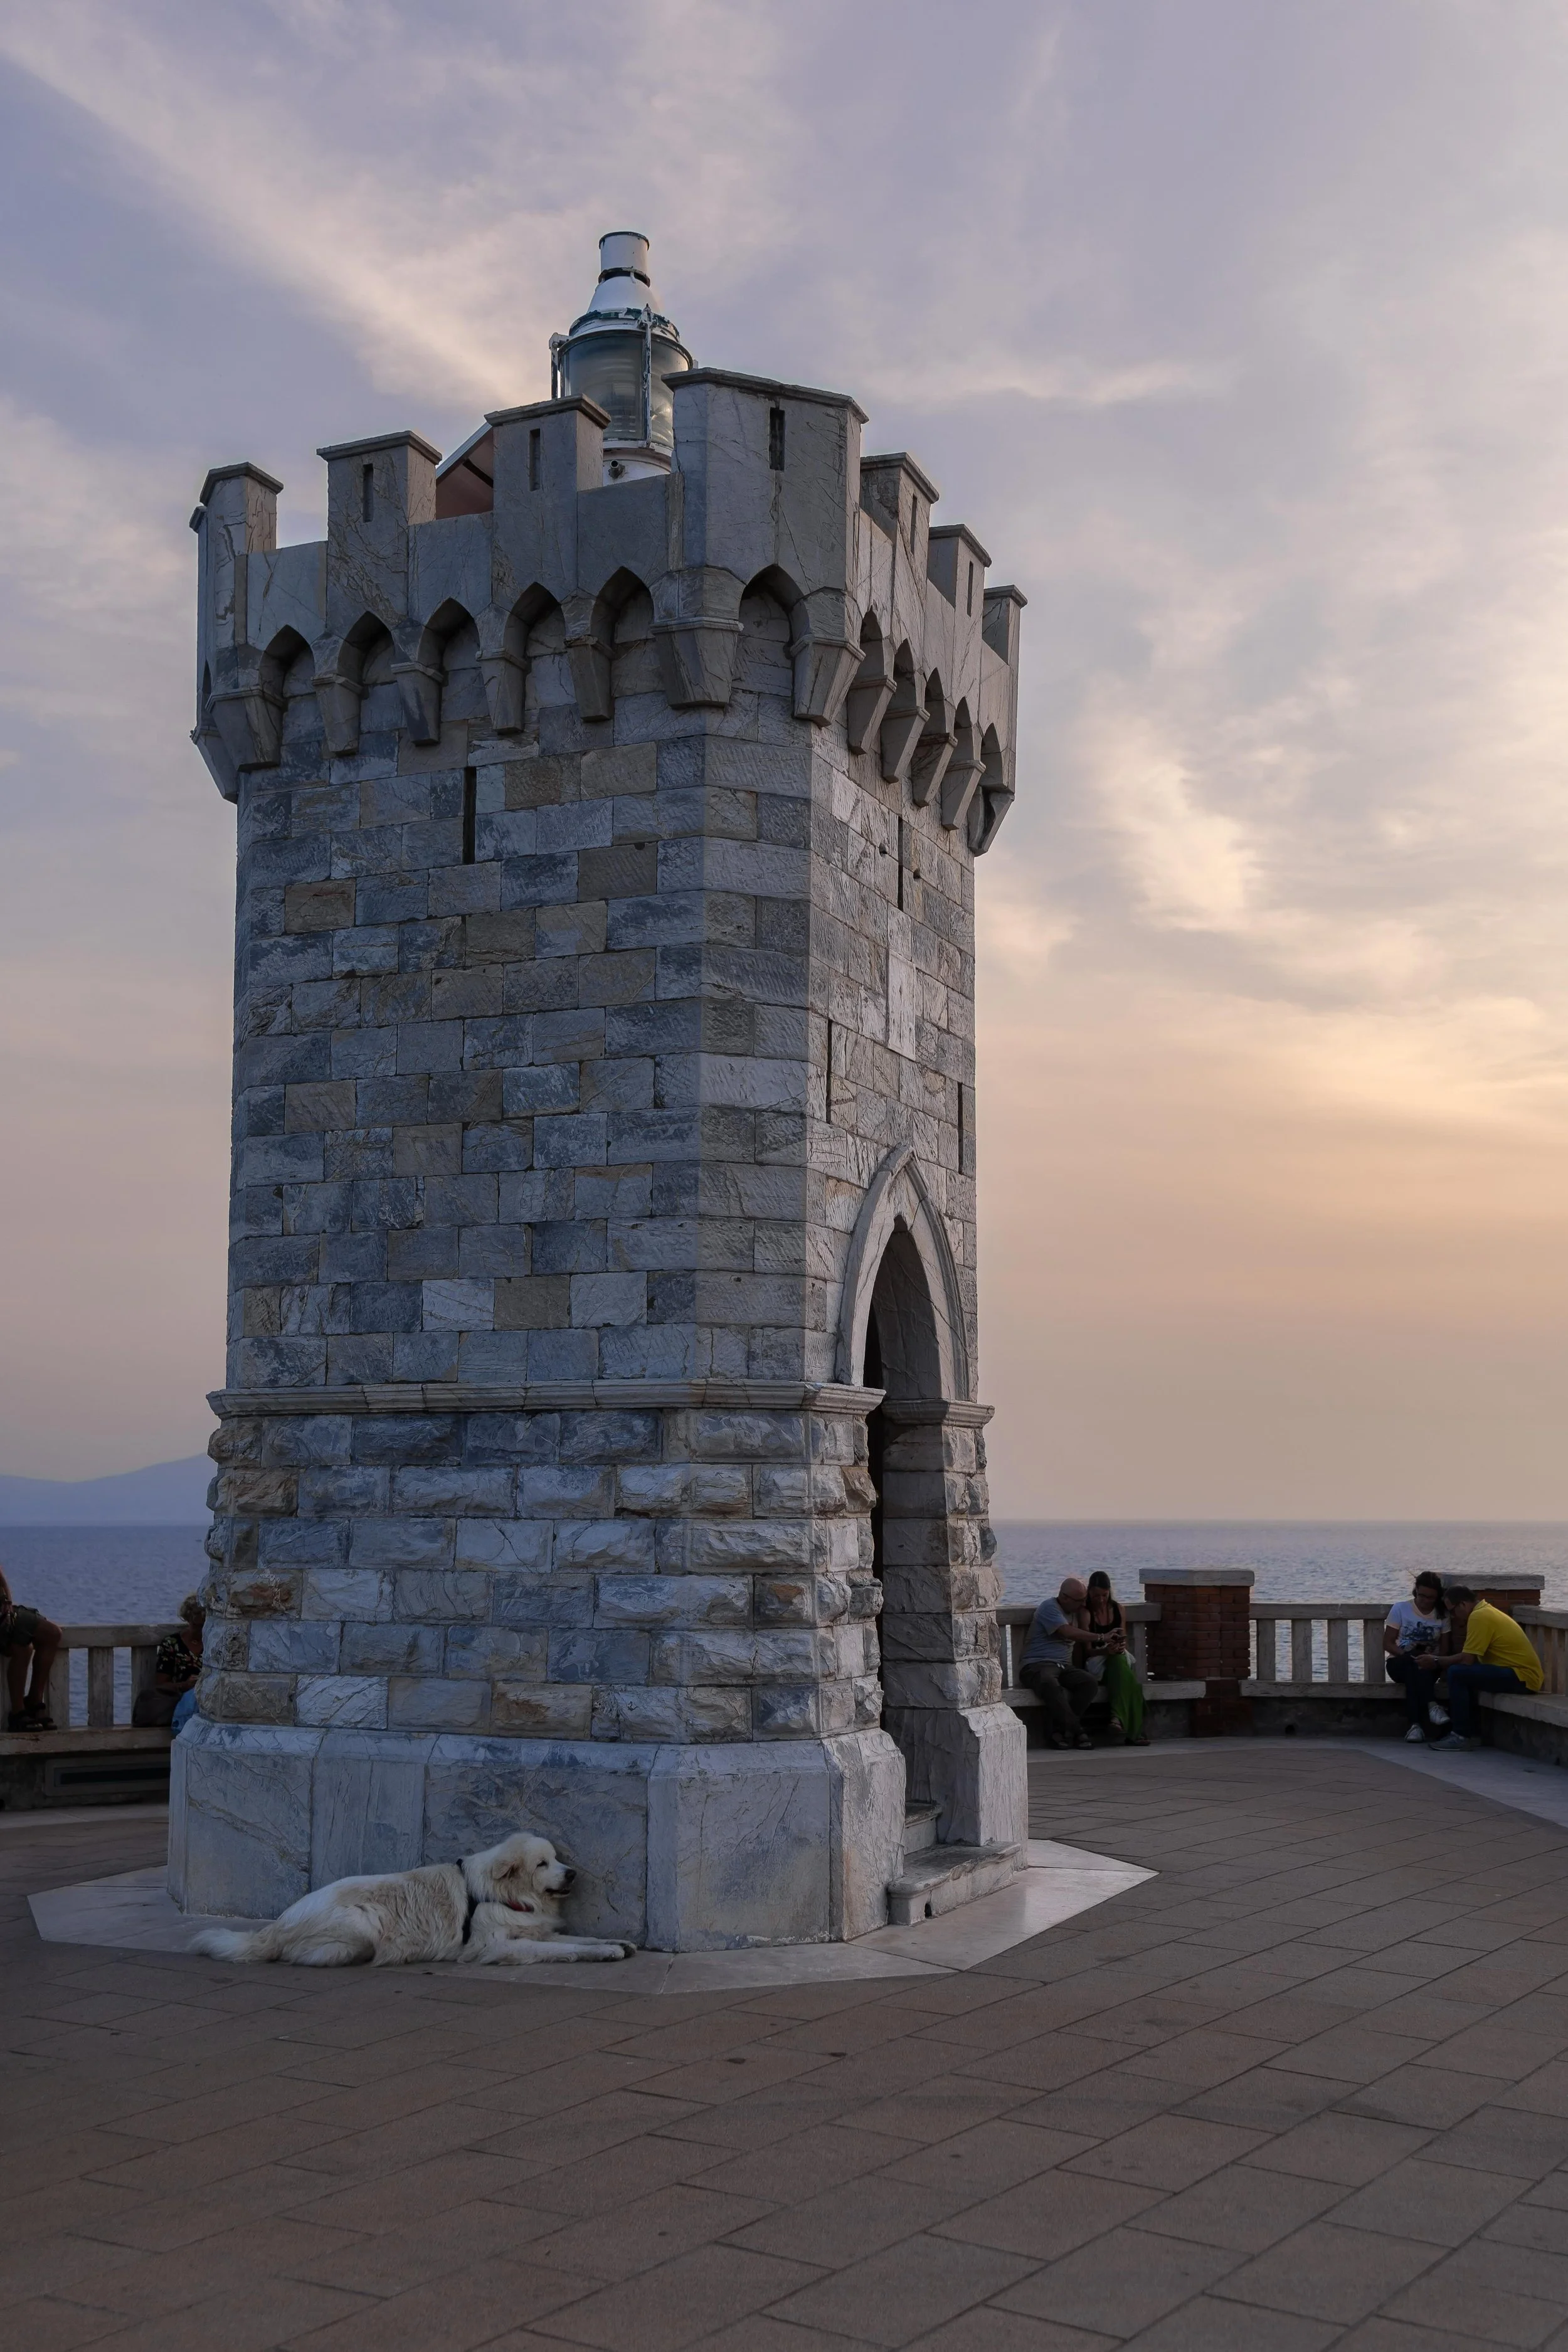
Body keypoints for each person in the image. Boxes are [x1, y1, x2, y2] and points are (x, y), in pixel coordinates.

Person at [1429, 1585, 1544, 1750]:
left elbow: (1467, 1660)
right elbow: (1471, 1658)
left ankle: (1461, 1736)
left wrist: (1436, 1661)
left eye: (1452, 1611)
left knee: (1457, 1673)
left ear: (1463, 1605)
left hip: (1522, 1677)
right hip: (1517, 1674)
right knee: (1465, 1676)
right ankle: (1472, 1734)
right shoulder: (1485, 1611)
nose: (1453, 1617)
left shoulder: (1479, 1616)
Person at [1020, 1576, 1099, 1750]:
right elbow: (1067, 1632)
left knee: (1089, 1683)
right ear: (1064, 1597)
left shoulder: (1077, 1612)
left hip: (1063, 1667)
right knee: (1051, 1684)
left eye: (1084, 1600)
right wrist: (1100, 1637)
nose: (1082, 1604)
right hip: (1036, 1666)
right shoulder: (1049, 1607)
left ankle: (1060, 1732)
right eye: (1079, 1601)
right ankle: (1078, 1732)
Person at [1081, 1572, 1149, 1745]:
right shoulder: (1086, 1613)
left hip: (1116, 1660)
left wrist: (1119, 1647)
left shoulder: (1119, 1610)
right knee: (1131, 1681)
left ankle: (1117, 1720)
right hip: (1096, 1664)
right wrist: (1106, 1652)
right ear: (1089, 1592)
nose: (1101, 1600)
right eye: (1097, 1596)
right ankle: (1133, 1732)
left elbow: (1122, 1638)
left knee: (1122, 1668)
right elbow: (1087, 1651)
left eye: (1105, 1595)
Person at [1383, 1572, 1451, 1743]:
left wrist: (1432, 1661)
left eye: (1431, 1597)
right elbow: (1388, 1643)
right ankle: (1432, 1705)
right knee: (1413, 1663)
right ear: (1416, 1592)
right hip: (1399, 1661)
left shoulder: (1442, 1615)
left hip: (1429, 1665)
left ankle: (1415, 1727)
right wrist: (1407, 1655)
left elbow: (1444, 1650)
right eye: (1422, 1596)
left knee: (1416, 1673)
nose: (1425, 1601)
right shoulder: (1400, 1609)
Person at [0, 1559, 62, 1732]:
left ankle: (34, 1701)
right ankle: (18, 1712)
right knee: (23, 1646)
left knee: (52, 1634)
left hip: (4, 1612)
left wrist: (8, 1603)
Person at [157, 1596, 204, 1733]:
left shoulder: (214, 1643)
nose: (201, 1632)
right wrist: (184, 1685)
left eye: (205, 1626)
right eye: (197, 1626)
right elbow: (160, 1685)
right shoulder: (172, 1644)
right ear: (188, 1620)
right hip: (182, 1702)